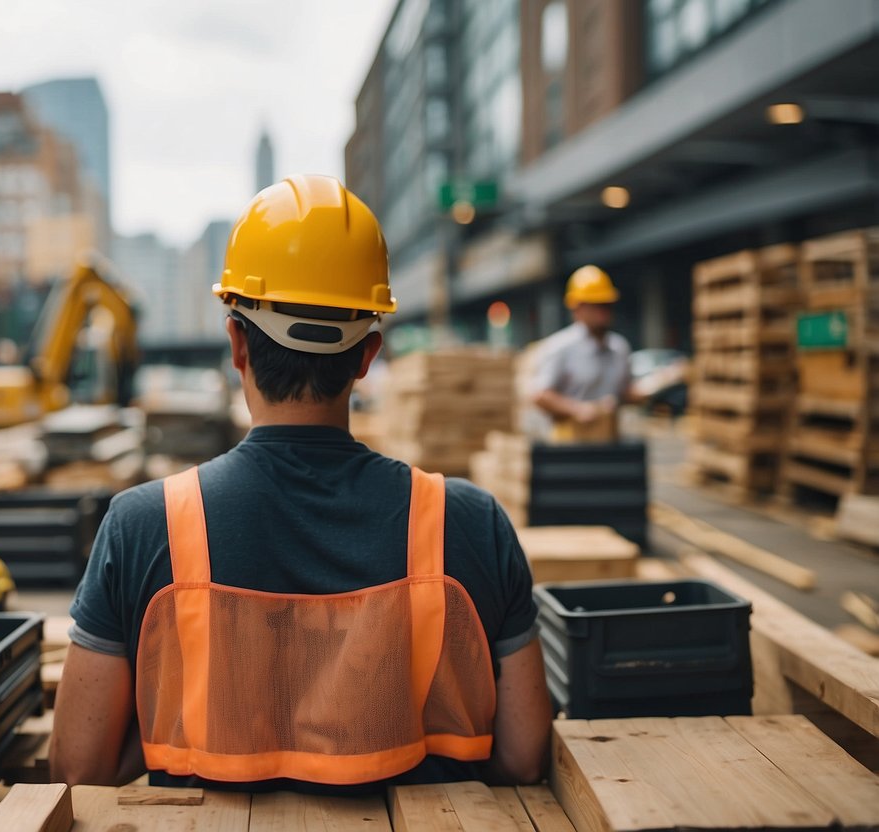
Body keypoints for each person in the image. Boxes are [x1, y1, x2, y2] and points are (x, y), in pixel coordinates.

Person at [50, 174, 551, 792]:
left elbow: (78, 768)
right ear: (368, 356)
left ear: (237, 343)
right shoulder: (469, 522)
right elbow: (526, 756)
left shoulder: (144, 525)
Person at [530, 266, 635, 436]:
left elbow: (626, 393)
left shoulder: (619, 348)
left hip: (608, 439)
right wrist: (576, 409)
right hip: (569, 444)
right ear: (577, 308)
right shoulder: (560, 347)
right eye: (596, 305)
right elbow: (540, 395)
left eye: (606, 305)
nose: (603, 311)